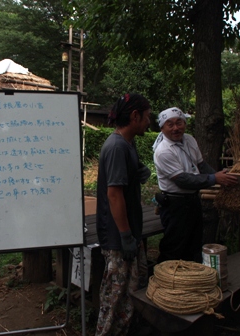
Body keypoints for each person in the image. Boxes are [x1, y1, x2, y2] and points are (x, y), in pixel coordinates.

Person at [95, 93, 152, 336]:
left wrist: (139, 170)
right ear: (135, 116)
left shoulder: (128, 143)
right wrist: (126, 236)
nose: (150, 122)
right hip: (119, 237)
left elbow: (127, 178)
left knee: (130, 291)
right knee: (115, 294)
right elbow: (114, 195)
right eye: (147, 117)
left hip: (129, 232)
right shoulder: (117, 146)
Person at [152, 107, 237, 264]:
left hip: (192, 200)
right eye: (170, 124)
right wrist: (214, 179)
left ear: (185, 123)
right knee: (174, 245)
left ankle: (190, 280)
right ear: (162, 128)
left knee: (194, 243)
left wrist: (220, 177)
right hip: (175, 205)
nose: (176, 128)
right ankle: (164, 280)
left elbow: (201, 165)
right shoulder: (163, 152)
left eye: (179, 123)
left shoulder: (190, 140)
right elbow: (183, 180)